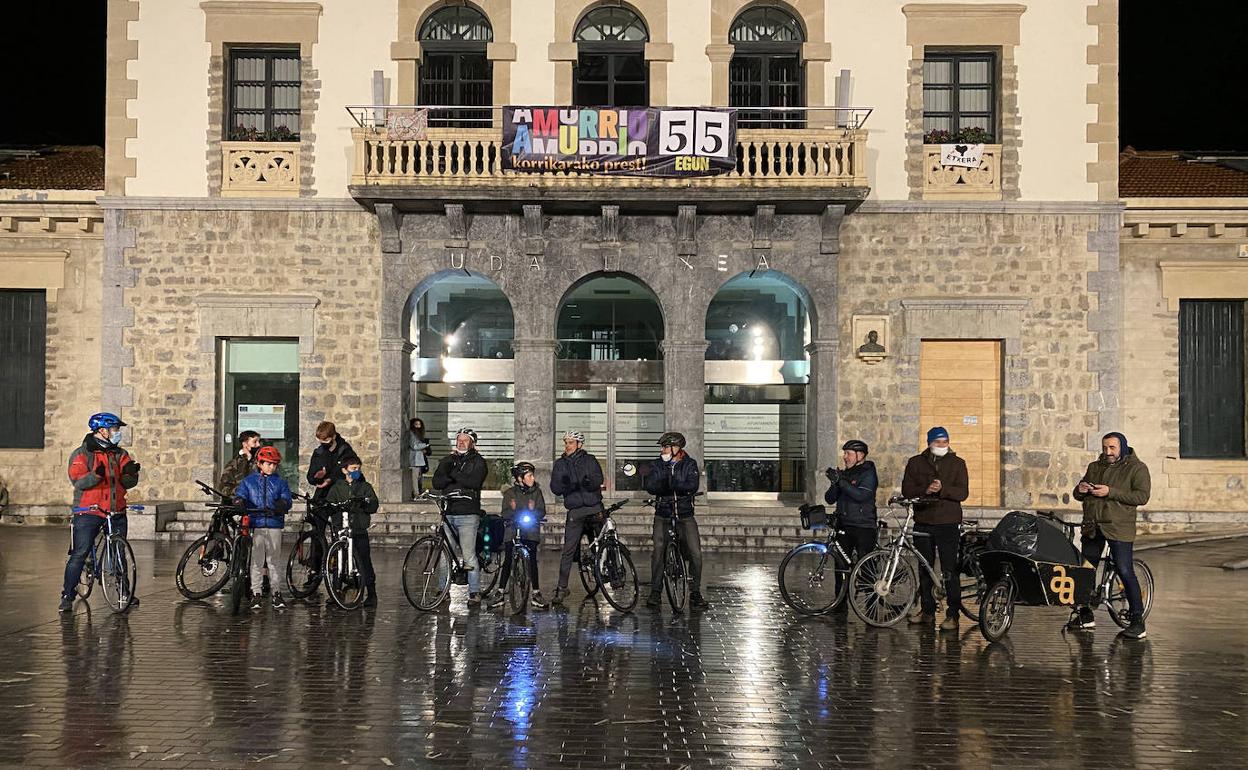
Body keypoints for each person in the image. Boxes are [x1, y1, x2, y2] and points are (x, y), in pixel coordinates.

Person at [1070, 432, 1151, 639]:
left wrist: (1110, 491)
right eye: (1105, 448)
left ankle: (1137, 621)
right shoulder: (1095, 467)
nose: (1108, 452)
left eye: (1112, 448)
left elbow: (1141, 496)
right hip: (1093, 526)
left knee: (1124, 570)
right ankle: (1085, 616)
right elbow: (1078, 494)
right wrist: (1080, 489)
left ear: (1122, 447)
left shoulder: (1137, 468)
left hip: (1118, 527)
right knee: (1085, 570)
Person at [60, 412, 142, 613]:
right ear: (102, 431)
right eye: (114, 429)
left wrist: (131, 473)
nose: (117, 433)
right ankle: (67, 596)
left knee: (119, 553)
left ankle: (124, 592)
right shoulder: (82, 453)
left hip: (116, 511)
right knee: (80, 553)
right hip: (89, 511)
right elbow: (78, 481)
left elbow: (127, 482)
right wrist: (95, 476)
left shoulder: (120, 454)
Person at [900, 426, 969, 631]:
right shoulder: (915, 463)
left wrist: (943, 490)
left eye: (945, 441)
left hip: (948, 522)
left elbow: (963, 492)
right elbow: (907, 489)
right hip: (924, 520)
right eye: (938, 441)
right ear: (930, 442)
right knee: (924, 568)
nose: (942, 445)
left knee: (950, 569)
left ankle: (953, 614)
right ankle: (927, 611)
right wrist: (925, 489)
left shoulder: (958, 463)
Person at [643, 431, 708, 610]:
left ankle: (695, 592)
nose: (662, 450)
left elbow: (691, 486)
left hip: (684, 514)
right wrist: (665, 472)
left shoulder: (689, 464)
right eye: (662, 447)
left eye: (665, 447)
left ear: (676, 448)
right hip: (663, 513)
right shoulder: (657, 464)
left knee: (695, 553)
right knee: (658, 550)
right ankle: (655, 592)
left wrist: (670, 484)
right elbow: (651, 486)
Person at [432, 427, 489, 605]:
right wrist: (454, 477)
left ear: (472, 443)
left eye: (465, 440)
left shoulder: (478, 462)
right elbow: (437, 481)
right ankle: (443, 590)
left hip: (468, 513)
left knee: (468, 554)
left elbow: (473, 481)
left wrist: (453, 475)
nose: (461, 442)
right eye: (459, 439)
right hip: (449, 511)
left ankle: (474, 592)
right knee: (444, 554)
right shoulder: (448, 460)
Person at [233, 445, 293, 610]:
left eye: (274, 464)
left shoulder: (280, 483)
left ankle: (276, 592)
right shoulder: (249, 481)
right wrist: (239, 501)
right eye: (268, 463)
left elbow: (286, 498)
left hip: (273, 524)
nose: (271, 467)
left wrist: (282, 504)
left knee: (273, 560)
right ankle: (256, 593)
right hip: (256, 523)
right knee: (257, 561)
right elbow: (241, 494)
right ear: (259, 463)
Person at [549, 430, 605, 605]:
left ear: (579, 445)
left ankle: (611, 573)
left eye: (571, 443)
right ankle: (562, 587)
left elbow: (598, 478)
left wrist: (589, 483)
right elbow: (555, 487)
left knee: (603, 543)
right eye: (566, 443)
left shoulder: (590, 460)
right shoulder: (560, 464)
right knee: (569, 550)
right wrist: (565, 484)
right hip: (575, 511)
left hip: (594, 506)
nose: (567, 446)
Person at [824, 439, 879, 611]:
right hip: (844, 524)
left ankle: (871, 608)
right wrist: (835, 482)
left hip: (864, 526)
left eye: (848, 453)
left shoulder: (868, 473)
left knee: (867, 567)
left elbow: (861, 496)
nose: (845, 457)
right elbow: (829, 499)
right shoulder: (846, 474)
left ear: (860, 455)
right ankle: (839, 607)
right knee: (840, 566)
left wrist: (841, 482)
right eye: (844, 453)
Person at [488, 461, 549, 611]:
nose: (532, 478)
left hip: (530, 531)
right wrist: (512, 515)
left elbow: (541, 510)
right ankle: (501, 592)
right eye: (529, 475)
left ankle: (536, 593)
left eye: (532, 475)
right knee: (508, 560)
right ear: (520, 478)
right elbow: (505, 512)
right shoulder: (510, 493)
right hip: (513, 530)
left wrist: (533, 514)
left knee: (532, 561)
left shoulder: (536, 492)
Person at [325, 454, 381, 608]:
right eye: (353, 468)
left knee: (364, 561)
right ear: (344, 470)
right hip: (341, 530)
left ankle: (371, 593)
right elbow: (330, 504)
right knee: (338, 561)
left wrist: (364, 503)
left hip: (358, 529)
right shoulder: (337, 488)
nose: (356, 471)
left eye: (358, 468)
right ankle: (335, 591)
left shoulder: (365, 487)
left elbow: (373, 505)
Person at [307, 421, 356, 504]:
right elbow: (310, 477)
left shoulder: (345, 451)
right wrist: (317, 477)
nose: (323, 443)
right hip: (322, 495)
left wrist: (331, 479)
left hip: (342, 494)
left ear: (333, 436)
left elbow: (353, 472)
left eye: (326, 440)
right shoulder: (318, 452)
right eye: (320, 441)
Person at [219, 430, 261, 498]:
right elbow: (224, 487)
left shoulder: (261, 461)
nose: (258, 445)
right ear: (244, 444)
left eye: (258, 442)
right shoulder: (234, 464)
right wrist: (239, 491)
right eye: (254, 442)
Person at [408, 418, 431, 499]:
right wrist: (425, 445)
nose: (418, 426)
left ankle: (418, 493)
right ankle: (416, 494)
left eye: (419, 424)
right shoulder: (412, 434)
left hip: (418, 460)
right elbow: (414, 446)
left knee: (418, 477)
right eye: (416, 424)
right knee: (415, 478)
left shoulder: (418, 435)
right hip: (415, 460)